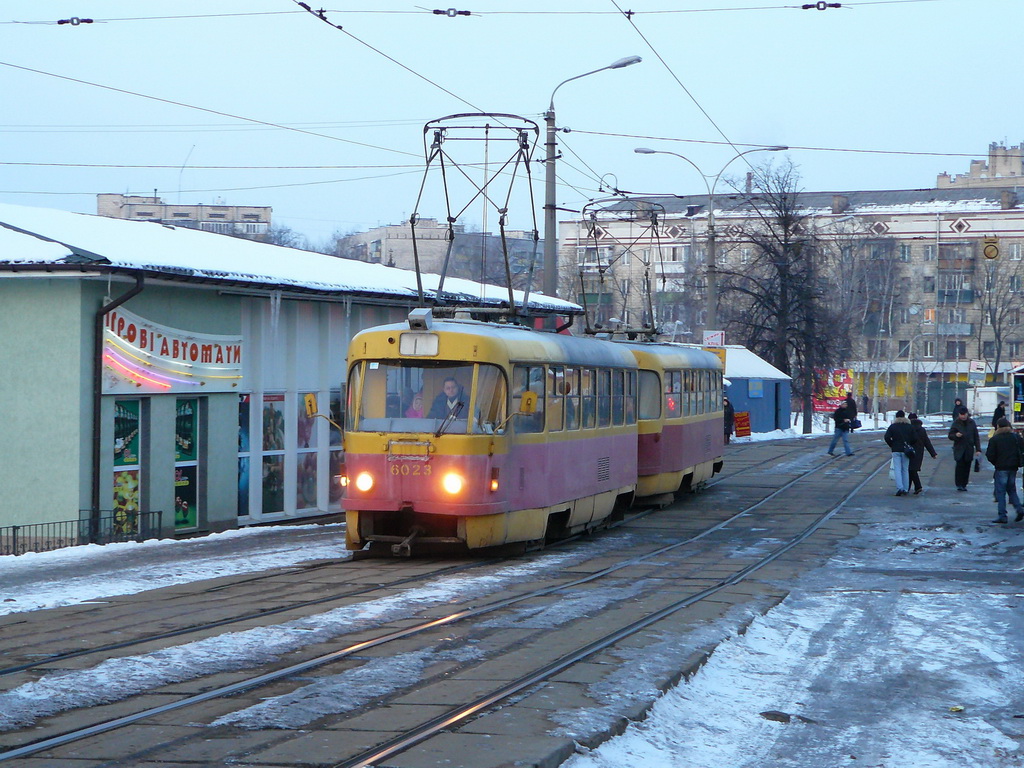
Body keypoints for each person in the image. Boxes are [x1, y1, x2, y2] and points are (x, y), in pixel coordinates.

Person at [985, 417, 1024, 524]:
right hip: (1013, 468)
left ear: (998, 426)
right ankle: (1019, 509)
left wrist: (996, 463)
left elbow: (990, 455)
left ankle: (1002, 515)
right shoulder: (1016, 437)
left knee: (1001, 492)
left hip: (1001, 468)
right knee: (1012, 490)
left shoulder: (995, 439)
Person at [884, 410, 918, 496]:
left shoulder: (893, 426)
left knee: (897, 469)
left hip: (896, 450)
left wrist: (892, 445)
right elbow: (915, 438)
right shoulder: (909, 426)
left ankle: (900, 488)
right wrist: (909, 444)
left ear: (896, 417)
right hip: (906, 451)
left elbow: (887, 437)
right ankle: (906, 489)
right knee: (905, 469)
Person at [948, 406, 982, 491]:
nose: (963, 416)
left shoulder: (971, 423)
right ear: (959, 414)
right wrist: (956, 435)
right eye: (961, 414)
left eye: (964, 414)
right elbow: (950, 435)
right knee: (959, 466)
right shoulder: (956, 423)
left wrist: (978, 449)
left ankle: (964, 484)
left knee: (967, 467)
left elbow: (976, 436)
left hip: (969, 448)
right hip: (959, 448)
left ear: (967, 414)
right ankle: (959, 484)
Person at [907, 412, 937, 495]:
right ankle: (912, 487)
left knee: (910, 470)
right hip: (919, 452)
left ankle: (916, 487)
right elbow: (927, 442)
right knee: (912, 470)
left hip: (909, 451)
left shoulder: (908, 428)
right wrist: (933, 453)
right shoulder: (922, 429)